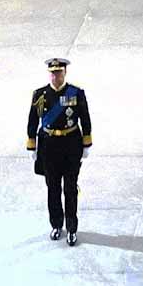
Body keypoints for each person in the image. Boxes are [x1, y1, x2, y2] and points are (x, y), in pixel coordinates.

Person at [25, 57, 93, 246]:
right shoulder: (40, 95)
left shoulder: (76, 93)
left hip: (70, 145)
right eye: (53, 73)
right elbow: (32, 120)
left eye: (59, 72)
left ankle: (71, 228)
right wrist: (32, 145)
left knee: (70, 189)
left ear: (65, 73)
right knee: (52, 188)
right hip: (49, 147)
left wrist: (86, 142)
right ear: (49, 74)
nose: (56, 76)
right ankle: (56, 224)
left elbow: (85, 118)